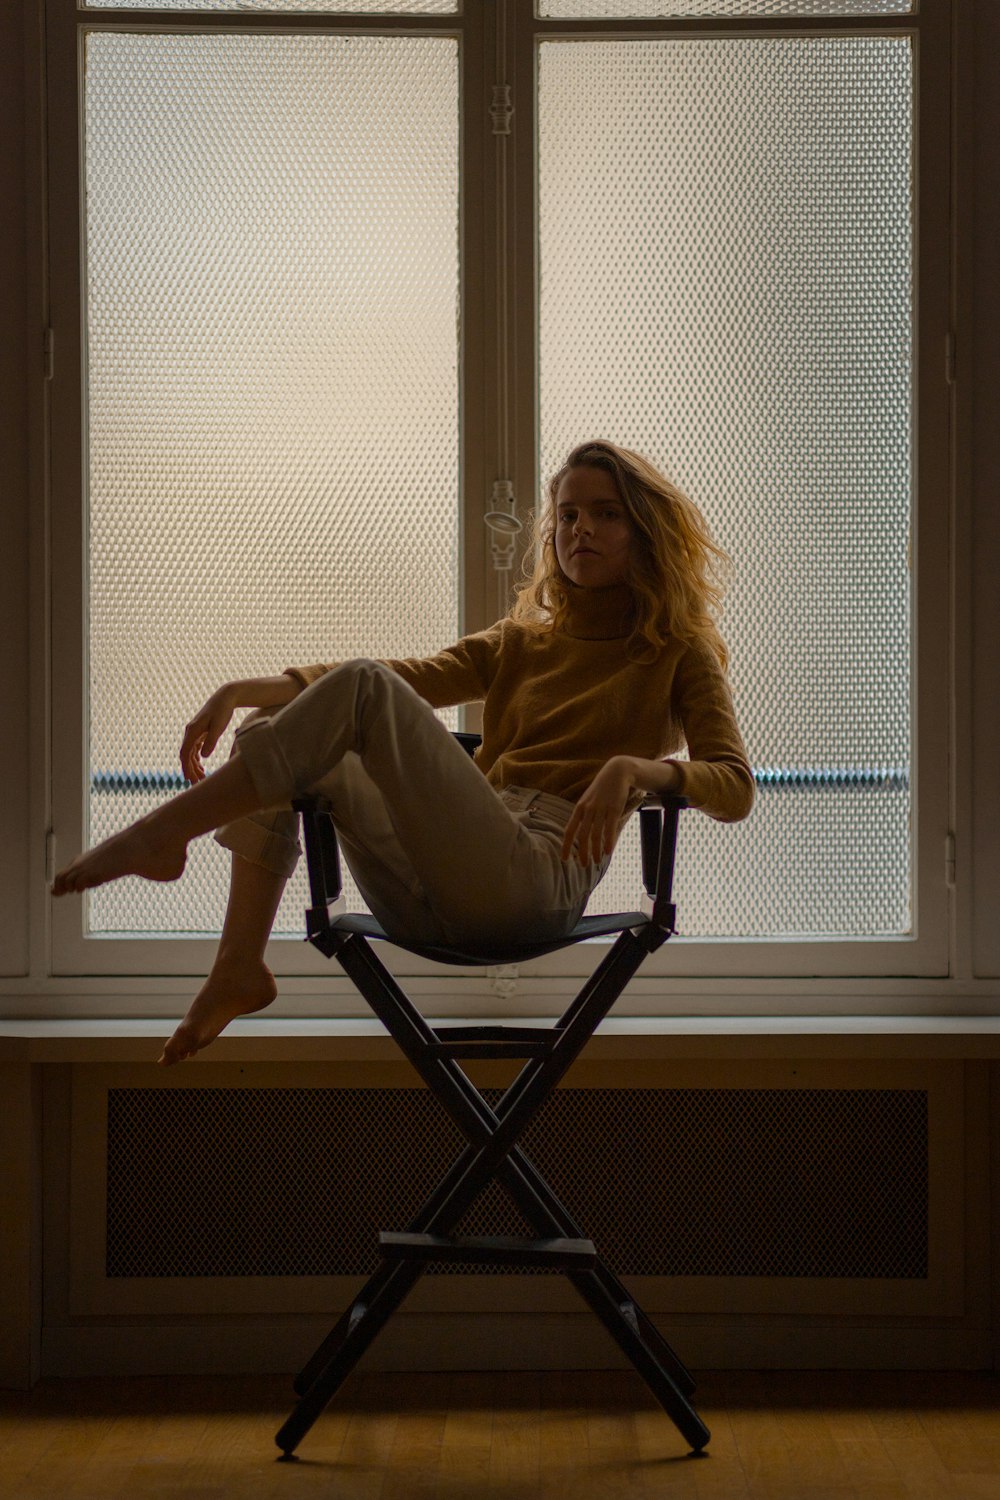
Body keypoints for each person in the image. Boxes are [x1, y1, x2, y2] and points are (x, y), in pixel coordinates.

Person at [53, 439, 754, 1065]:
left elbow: (734, 785)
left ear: (645, 531)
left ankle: (162, 832)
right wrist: (241, 689)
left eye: (605, 514)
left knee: (358, 689)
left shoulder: (676, 652)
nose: (581, 530)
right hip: (429, 886)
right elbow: (410, 677)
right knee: (279, 718)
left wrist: (635, 770)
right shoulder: (522, 641)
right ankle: (238, 966)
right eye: (567, 515)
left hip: (534, 879)